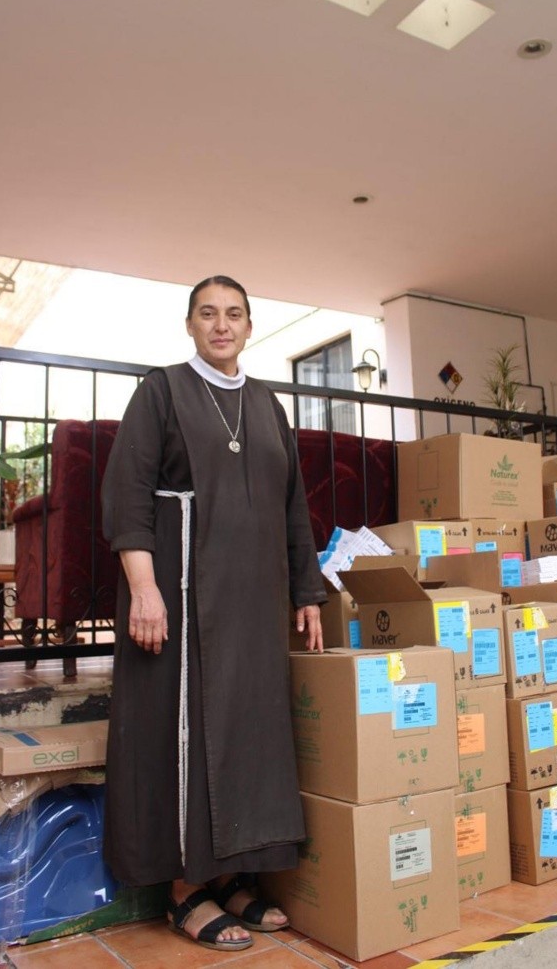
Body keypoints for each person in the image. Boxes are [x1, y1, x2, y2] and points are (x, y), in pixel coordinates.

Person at [102, 275, 326, 952]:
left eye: (233, 314)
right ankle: (184, 891)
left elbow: (293, 506)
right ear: (190, 324)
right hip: (180, 593)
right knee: (188, 735)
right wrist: (144, 589)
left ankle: (231, 878)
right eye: (208, 313)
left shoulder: (267, 404)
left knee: (250, 734)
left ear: (250, 327)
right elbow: (128, 495)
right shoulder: (161, 391)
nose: (221, 325)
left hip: (254, 602)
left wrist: (307, 593)